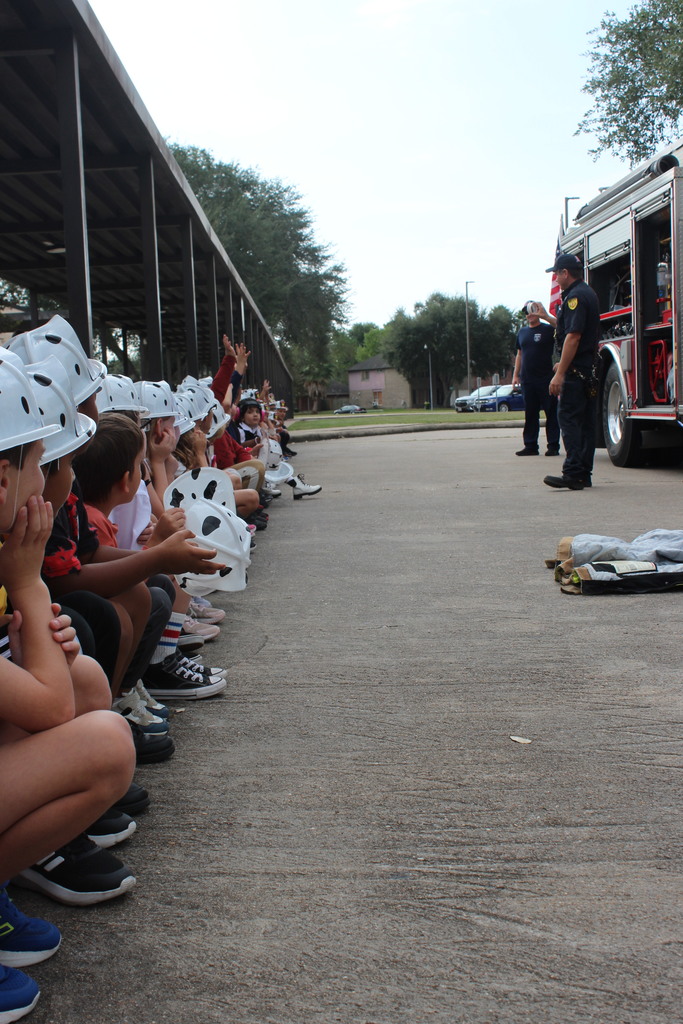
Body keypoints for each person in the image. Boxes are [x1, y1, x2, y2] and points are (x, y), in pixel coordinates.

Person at [544, 253, 601, 490]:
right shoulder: (588, 293)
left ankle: (573, 472)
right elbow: (572, 332)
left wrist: (560, 373)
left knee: (568, 419)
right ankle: (583, 473)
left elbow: (574, 337)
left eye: (557, 274)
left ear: (566, 273)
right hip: (588, 370)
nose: (556, 279)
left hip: (577, 374)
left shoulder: (575, 297)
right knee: (586, 423)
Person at [512, 301, 560, 457]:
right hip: (528, 380)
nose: (529, 314)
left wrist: (545, 316)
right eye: (527, 311)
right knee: (531, 413)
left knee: (551, 413)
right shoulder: (522, 333)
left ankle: (553, 445)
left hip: (546, 378)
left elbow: (564, 329)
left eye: (532, 310)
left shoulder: (547, 329)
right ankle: (530, 445)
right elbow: (519, 354)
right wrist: (515, 375)